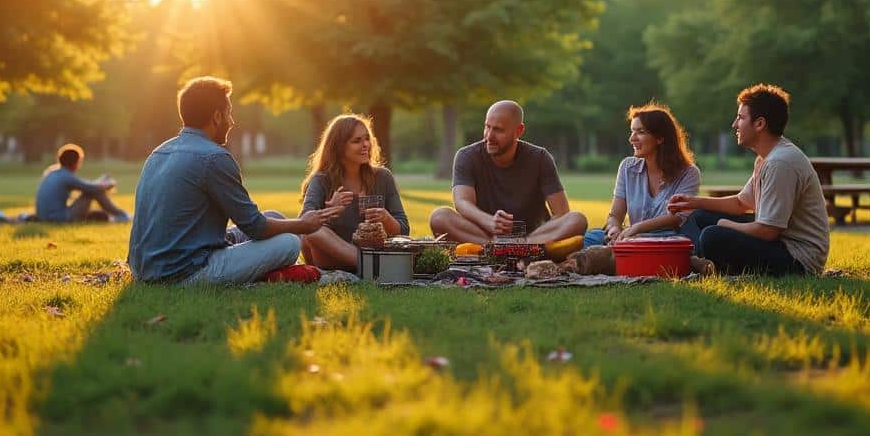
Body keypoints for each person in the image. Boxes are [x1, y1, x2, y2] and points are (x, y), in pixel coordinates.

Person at [127, 77, 342, 285]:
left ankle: (269, 269)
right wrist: (303, 225)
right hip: (183, 272)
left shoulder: (159, 152)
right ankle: (271, 274)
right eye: (229, 113)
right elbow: (255, 227)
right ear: (217, 117)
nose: (232, 122)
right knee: (289, 243)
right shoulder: (214, 158)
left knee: (274, 217)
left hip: (145, 268)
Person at [667, 84, 829, 276]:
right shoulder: (766, 158)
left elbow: (768, 231)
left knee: (713, 236)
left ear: (759, 124)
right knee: (700, 215)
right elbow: (741, 203)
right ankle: (701, 262)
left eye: (741, 118)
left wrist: (724, 225)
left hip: (797, 259)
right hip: (778, 242)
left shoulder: (780, 163)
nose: (734, 124)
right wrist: (694, 202)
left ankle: (701, 263)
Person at [429, 100, 587, 246]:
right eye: (487, 127)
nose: (489, 136)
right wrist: (490, 222)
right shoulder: (467, 156)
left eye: (498, 130)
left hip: (532, 235)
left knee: (577, 219)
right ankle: (496, 248)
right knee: (439, 217)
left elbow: (562, 212)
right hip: (484, 234)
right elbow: (462, 202)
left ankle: (522, 246)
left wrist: (525, 240)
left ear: (519, 131)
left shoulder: (540, 158)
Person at [298, 113, 410, 271]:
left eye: (366, 138)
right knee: (314, 231)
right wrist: (330, 211)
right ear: (338, 146)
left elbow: (404, 229)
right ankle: (371, 266)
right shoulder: (322, 180)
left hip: (373, 250)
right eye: (356, 141)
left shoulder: (383, 177)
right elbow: (303, 224)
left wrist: (386, 218)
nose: (365, 144)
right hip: (331, 258)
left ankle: (367, 264)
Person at [583, 103, 701, 247]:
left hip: (666, 238)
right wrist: (614, 230)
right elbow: (615, 215)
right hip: (631, 237)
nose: (632, 138)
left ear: (660, 138)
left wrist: (637, 228)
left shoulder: (689, 173)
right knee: (589, 238)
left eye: (640, 132)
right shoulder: (627, 167)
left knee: (669, 240)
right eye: (632, 131)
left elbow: (677, 219)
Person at [34, 143, 130, 222]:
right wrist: (108, 184)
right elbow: (90, 188)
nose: (79, 165)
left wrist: (100, 182)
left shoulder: (53, 172)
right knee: (94, 191)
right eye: (79, 162)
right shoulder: (66, 176)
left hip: (44, 217)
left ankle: (117, 215)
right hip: (59, 218)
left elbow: (86, 185)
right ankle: (122, 216)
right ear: (74, 162)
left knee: (94, 190)